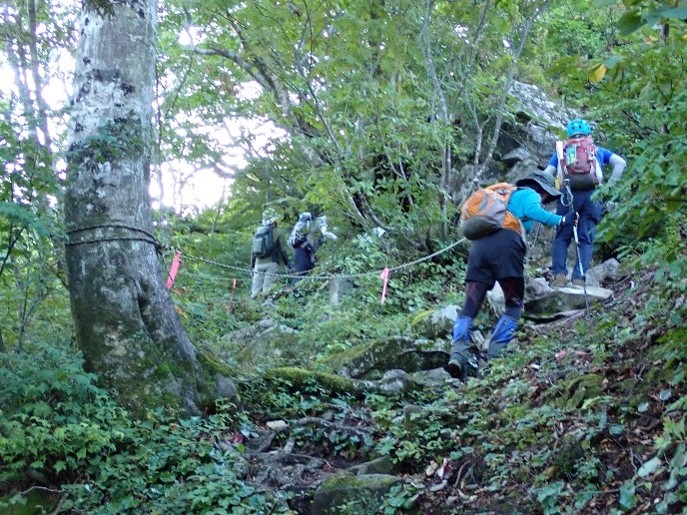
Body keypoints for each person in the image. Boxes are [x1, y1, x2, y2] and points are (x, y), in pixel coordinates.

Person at [446, 171, 573, 381]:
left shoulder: (503, 197)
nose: (545, 201)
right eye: (547, 198)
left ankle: (457, 354)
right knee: (514, 304)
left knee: (469, 306)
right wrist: (562, 220)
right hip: (506, 246)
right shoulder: (529, 193)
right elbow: (534, 211)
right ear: (542, 190)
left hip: (478, 249)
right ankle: (495, 356)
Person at [543, 118, 626, 287]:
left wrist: (546, 192)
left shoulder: (562, 151)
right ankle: (579, 278)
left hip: (567, 195)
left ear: (569, 135)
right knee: (586, 238)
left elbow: (547, 174)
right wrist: (609, 187)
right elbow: (621, 163)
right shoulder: (596, 150)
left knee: (562, 237)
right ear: (588, 134)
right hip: (593, 195)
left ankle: (559, 274)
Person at [250, 209, 290, 299]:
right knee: (268, 292)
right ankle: (267, 310)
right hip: (272, 263)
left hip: (257, 264)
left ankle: (252, 308)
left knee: (255, 291)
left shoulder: (257, 232)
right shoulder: (278, 232)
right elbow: (283, 250)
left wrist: (252, 266)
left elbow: (253, 252)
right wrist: (287, 264)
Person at [288, 212, 337, 278]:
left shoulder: (305, 226)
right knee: (302, 274)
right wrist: (336, 238)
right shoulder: (315, 223)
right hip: (302, 252)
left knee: (306, 273)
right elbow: (325, 233)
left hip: (305, 252)